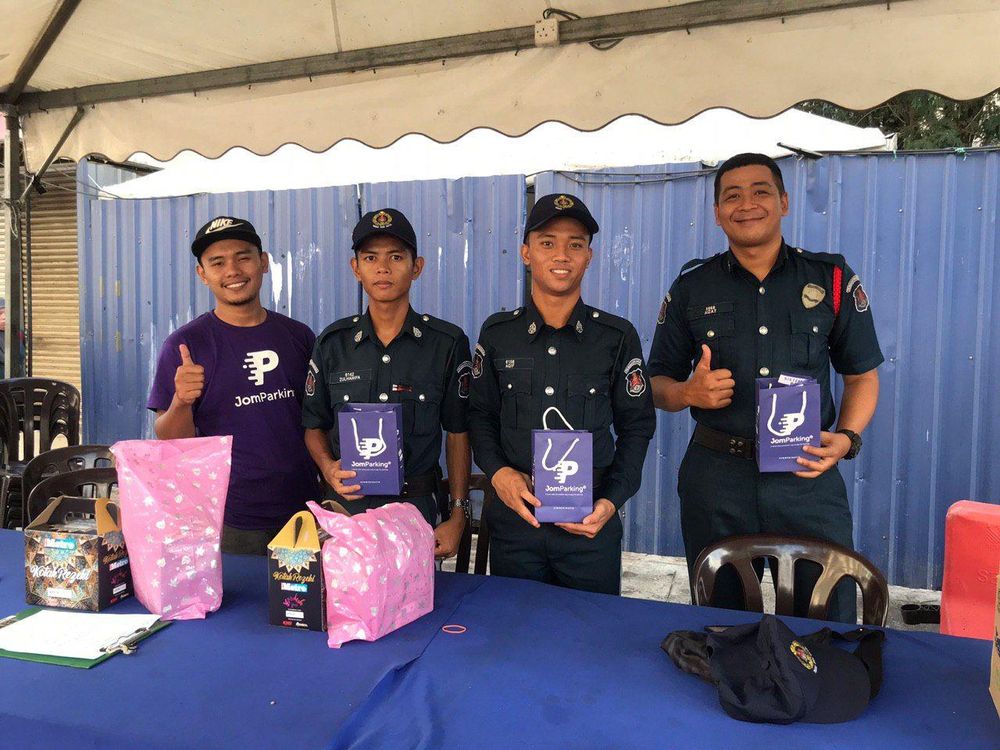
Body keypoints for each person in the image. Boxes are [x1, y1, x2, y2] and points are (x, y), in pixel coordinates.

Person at [648, 153, 882, 622]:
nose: (746, 204)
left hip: (807, 477)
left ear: (784, 202)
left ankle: (819, 692)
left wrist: (849, 438)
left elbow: (861, 377)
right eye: (731, 195)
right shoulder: (692, 287)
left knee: (825, 623)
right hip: (717, 482)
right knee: (723, 624)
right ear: (717, 213)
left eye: (760, 191)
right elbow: (656, 384)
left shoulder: (831, 279)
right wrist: (688, 393)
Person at [468, 193, 656, 595]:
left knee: (589, 643)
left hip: (589, 529)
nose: (562, 255)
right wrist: (499, 474)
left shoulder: (616, 337)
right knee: (513, 638)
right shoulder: (498, 334)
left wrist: (612, 500)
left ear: (589, 256)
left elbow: (637, 426)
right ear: (526, 253)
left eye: (576, 244)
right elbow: (480, 417)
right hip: (516, 526)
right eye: (547, 242)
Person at [301, 208, 471, 560]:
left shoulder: (446, 343)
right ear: (356, 268)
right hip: (346, 510)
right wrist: (327, 466)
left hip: (416, 510)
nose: (383, 268)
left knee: (415, 608)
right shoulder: (333, 343)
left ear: (417, 266)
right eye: (370, 257)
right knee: (346, 605)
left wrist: (458, 514)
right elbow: (313, 425)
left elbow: (458, 434)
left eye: (396, 257)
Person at [148, 216, 319, 554]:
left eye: (243, 256)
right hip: (229, 519)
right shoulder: (185, 344)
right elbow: (170, 438)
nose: (233, 270)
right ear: (202, 273)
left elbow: (318, 420)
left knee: (303, 605)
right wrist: (182, 401)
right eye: (217, 262)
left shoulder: (299, 336)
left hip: (302, 510)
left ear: (263, 262)